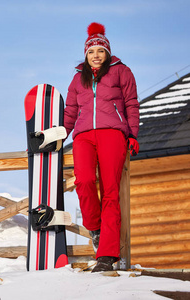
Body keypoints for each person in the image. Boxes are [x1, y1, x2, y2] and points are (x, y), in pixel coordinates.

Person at [63, 22, 140, 272]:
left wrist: (133, 134)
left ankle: (106, 256)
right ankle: (94, 228)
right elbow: (71, 111)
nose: (96, 56)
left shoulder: (121, 72)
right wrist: (60, 135)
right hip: (83, 136)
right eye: (91, 52)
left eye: (100, 51)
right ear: (85, 55)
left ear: (107, 53)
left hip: (113, 134)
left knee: (110, 192)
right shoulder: (77, 79)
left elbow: (131, 103)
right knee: (83, 181)